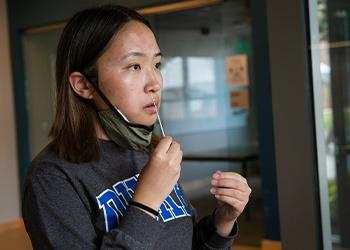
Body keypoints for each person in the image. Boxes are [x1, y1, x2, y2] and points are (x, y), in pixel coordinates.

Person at [22, 5, 251, 250]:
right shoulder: (52, 177)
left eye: (157, 65)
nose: (155, 83)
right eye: (135, 66)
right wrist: (146, 202)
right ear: (83, 85)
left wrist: (222, 221)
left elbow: (181, 243)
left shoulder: (148, 152)